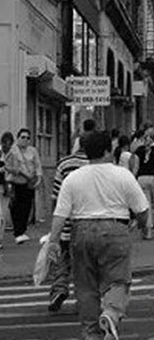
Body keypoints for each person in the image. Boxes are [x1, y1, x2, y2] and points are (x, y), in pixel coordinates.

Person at [49, 130, 149, 340]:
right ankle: (111, 313)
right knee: (118, 280)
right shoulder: (123, 175)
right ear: (107, 150)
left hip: (81, 230)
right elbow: (142, 209)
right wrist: (142, 226)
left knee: (85, 285)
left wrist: (53, 241)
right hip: (115, 228)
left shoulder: (73, 178)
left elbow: (60, 214)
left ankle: (91, 334)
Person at [48, 133, 90, 312]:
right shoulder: (94, 165)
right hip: (86, 221)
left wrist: (55, 220)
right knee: (83, 265)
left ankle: (59, 288)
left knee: (62, 257)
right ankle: (83, 299)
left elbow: (55, 194)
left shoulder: (64, 164)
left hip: (65, 221)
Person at [5, 128, 42, 244]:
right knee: (15, 207)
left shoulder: (33, 151)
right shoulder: (12, 151)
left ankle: (22, 230)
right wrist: (18, 171)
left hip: (29, 183)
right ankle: (18, 231)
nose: (25, 140)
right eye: (23, 137)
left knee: (26, 207)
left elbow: (37, 165)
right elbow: (7, 165)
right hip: (16, 182)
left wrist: (39, 178)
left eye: (27, 138)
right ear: (18, 138)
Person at [134, 128, 154, 239]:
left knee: (146, 205)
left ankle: (148, 231)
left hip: (142, 178)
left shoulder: (138, 150)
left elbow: (136, 167)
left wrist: (133, 179)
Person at [0, 132, 14, 249]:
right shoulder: (1, 154)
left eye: (9, 145)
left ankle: (0, 239)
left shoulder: (11, 155)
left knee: (3, 215)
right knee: (0, 216)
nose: (7, 147)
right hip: (2, 185)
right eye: (6, 144)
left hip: (6, 186)